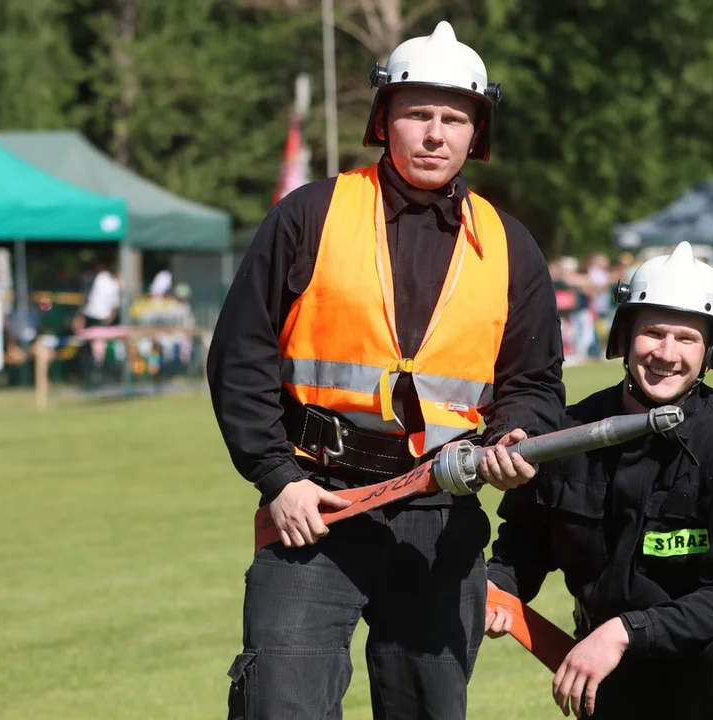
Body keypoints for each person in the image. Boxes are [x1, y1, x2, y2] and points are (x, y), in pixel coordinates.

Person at [206, 20, 566, 720]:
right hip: (315, 508)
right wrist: (279, 479)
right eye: (418, 114)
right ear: (384, 120)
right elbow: (240, 357)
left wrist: (517, 435)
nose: (436, 134)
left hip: (440, 513)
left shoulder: (511, 246)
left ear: (476, 133)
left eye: (454, 119)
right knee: (281, 704)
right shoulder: (309, 214)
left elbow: (533, 383)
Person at [484, 241, 713, 720]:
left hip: (693, 667)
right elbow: (522, 545)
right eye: (653, 333)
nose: (667, 354)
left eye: (686, 339)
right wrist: (496, 590)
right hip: (604, 672)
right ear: (625, 337)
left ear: (710, 351)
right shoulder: (570, 435)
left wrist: (627, 629)